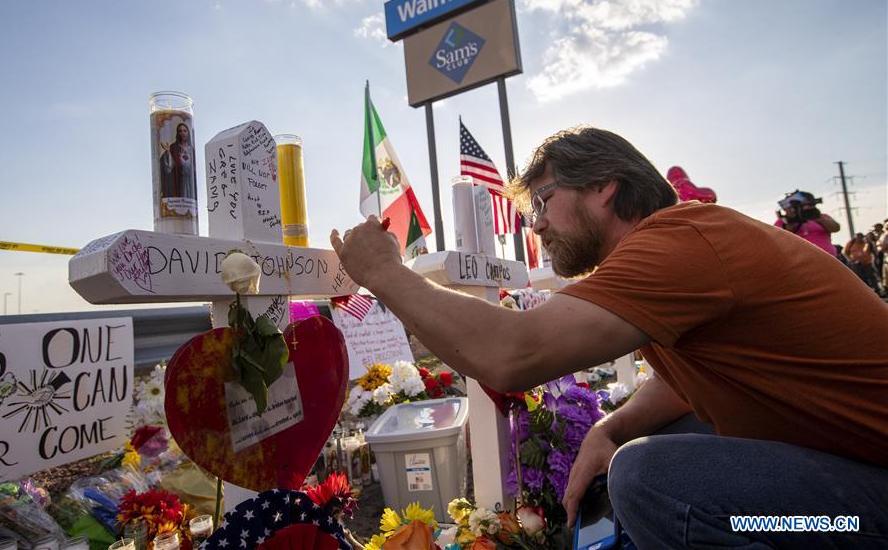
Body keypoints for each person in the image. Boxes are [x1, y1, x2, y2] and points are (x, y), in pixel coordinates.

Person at [332, 126, 888, 549]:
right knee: (660, 440)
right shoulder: (681, 242)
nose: (538, 225)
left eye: (543, 202)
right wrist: (611, 425)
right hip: (858, 471)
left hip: (869, 502)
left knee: (651, 479)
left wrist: (383, 272)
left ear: (604, 187)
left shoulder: (678, 244)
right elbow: (681, 383)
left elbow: (510, 354)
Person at [774, 190, 840, 257]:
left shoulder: (822, 216)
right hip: (798, 260)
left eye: (808, 204)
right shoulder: (783, 221)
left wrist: (818, 218)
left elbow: (835, 228)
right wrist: (792, 220)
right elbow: (779, 237)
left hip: (827, 259)